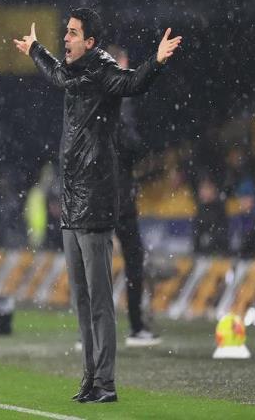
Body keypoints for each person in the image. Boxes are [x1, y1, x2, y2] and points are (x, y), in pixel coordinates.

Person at [14, 8, 182, 403]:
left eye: (73, 33)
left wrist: (156, 61)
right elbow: (57, 75)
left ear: (90, 42)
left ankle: (106, 382)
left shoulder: (103, 69)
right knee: (81, 299)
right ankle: (90, 378)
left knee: (100, 301)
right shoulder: (73, 72)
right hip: (72, 202)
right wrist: (36, 49)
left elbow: (132, 83)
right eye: (66, 32)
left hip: (95, 200)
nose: (66, 38)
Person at [106, 44, 162, 347]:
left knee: (95, 263)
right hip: (119, 195)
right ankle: (136, 326)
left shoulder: (95, 96)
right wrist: (140, 146)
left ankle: (90, 332)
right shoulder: (121, 100)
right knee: (133, 260)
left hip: (99, 191)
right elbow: (128, 142)